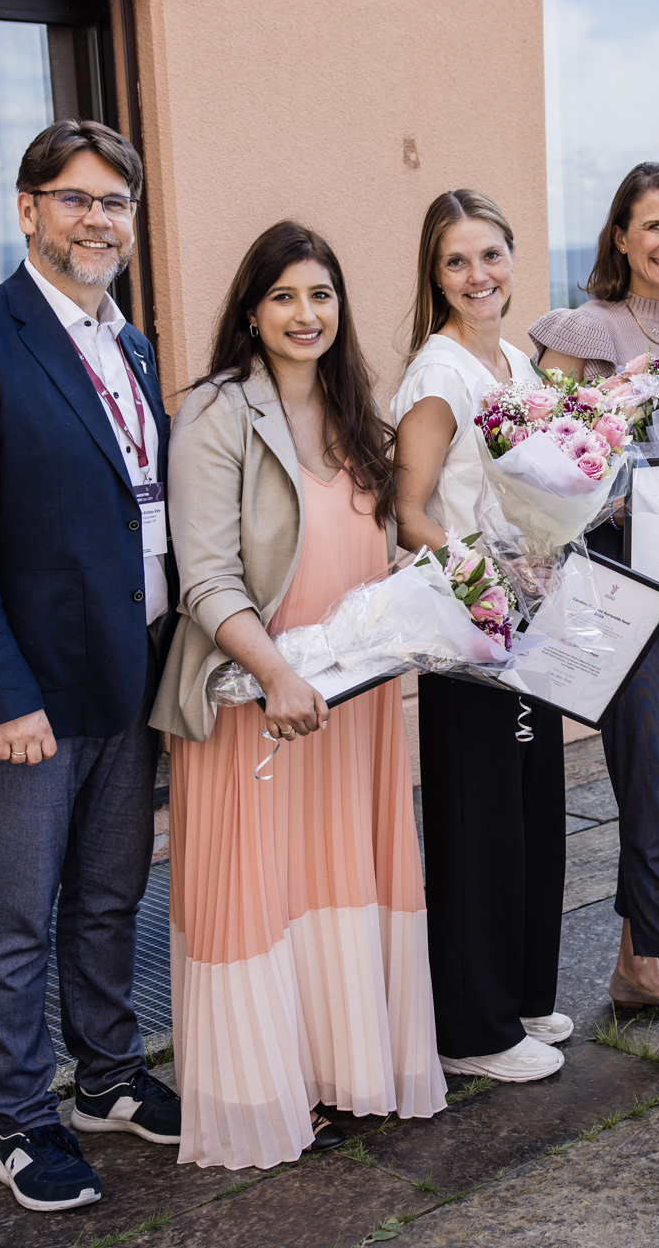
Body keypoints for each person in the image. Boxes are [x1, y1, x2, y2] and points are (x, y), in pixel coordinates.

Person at [0, 119, 180, 1212]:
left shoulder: (135, 343)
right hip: (31, 697)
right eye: (76, 198)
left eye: (115, 203)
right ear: (29, 209)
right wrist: (1, 695)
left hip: (130, 675)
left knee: (111, 898)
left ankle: (107, 1076)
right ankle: (19, 1119)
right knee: (17, 916)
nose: (98, 219)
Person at [153, 220, 446, 1168]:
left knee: (336, 877)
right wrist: (277, 673)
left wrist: (472, 590)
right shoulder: (213, 413)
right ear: (251, 310)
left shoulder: (359, 411)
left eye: (320, 294)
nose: (304, 313)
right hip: (258, 704)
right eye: (284, 295)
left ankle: (340, 1066)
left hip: (353, 706)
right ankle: (261, 1090)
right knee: (265, 890)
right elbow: (204, 577)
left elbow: (392, 542)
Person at [530, 162, 659, 1086]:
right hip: (619, 592)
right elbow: (533, 463)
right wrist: (605, 489)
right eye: (652, 226)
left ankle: (634, 967)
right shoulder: (582, 333)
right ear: (620, 234)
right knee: (650, 790)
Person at [389, 190, 570, 1083]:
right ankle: (472, 1028)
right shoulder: (438, 374)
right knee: (480, 820)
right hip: (468, 628)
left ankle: (521, 993)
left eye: (490, 255)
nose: (477, 275)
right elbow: (408, 512)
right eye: (456, 261)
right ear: (436, 273)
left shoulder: (512, 362)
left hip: (528, 622)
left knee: (532, 808)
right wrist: (487, 579)